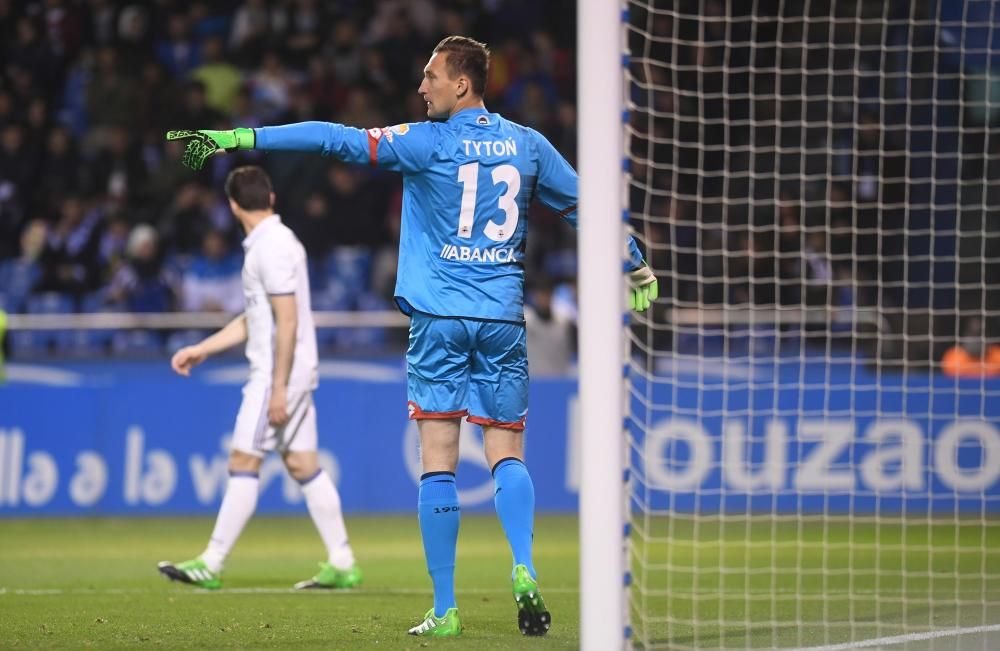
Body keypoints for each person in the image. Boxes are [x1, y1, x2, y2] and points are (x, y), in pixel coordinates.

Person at [166, 36, 657, 637]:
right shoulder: (530, 145)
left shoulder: (426, 142)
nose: (421, 87)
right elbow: (588, 207)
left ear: (463, 84)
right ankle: (524, 567)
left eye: (431, 76)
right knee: (506, 453)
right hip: (502, 318)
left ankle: (446, 608)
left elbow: (332, 137)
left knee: (439, 463)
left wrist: (243, 138)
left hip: (439, 321)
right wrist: (632, 260)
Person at [157, 165, 361, 592]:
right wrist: (203, 348)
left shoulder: (270, 249)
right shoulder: (275, 244)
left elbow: (285, 323)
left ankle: (211, 563)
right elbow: (257, 318)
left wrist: (280, 388)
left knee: (243, 461)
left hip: (277, 373)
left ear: (233, 206)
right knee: (303, 464)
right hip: (292, 370)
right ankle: (342, 561)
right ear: (270, 198)